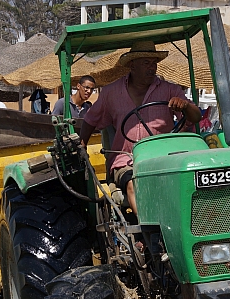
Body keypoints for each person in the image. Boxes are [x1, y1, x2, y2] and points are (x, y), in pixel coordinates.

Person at [79, 41, 202, 215]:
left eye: (154, 64)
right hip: (126, 160)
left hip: (163, 158)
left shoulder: (170, 90)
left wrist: (185, 106)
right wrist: (82, 144)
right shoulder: (110, 93)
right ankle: (151, 233)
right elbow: (91, 119)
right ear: (132, 65)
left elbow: (195, 117)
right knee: (133, 184)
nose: (152, 68)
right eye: (146, 63)